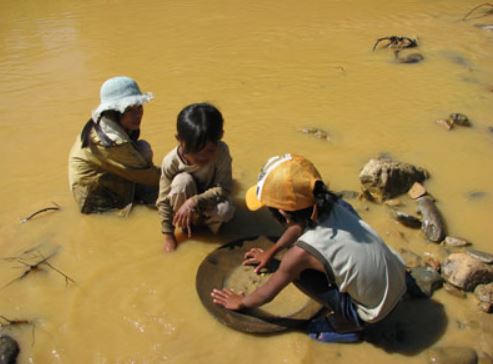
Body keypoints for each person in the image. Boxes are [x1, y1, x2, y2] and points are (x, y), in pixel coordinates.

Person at [211, 154, 407, 342]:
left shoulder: (300, 254)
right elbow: (298, 226)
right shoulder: (335, 204)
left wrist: (241, 302)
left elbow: (266, 294)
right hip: (398, 281)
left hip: (375, 311)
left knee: (295, 272)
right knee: (297, 261)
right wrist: (271, 252)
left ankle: (347, 326)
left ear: (282, 213)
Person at [68, 76, 160, 214]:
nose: (138, 115)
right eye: (129, 110)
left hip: (109, 178)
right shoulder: (111, 141)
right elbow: (146, 176)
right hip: (95, 197)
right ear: (114, 111)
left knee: (143, 149)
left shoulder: (107, 121)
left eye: (139, 107)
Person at [156, 103, 235, 252]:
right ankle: (188, 228)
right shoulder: (170, 161)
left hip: (211, 204)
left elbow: (224, 188)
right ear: (179, 140)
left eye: (209, 151)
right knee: (182, 182)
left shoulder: (222, 151)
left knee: (225, 209)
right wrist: (169, 236)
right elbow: (163, 200)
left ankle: (213, 233)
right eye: (195, 151)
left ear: (220, 137)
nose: (202, 157)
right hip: (185, 203)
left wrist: (193, 201)